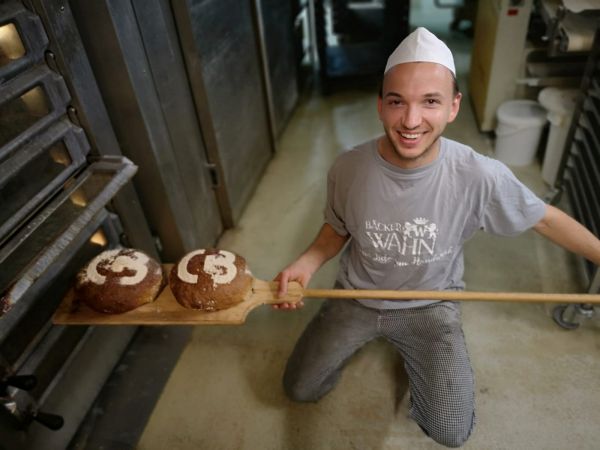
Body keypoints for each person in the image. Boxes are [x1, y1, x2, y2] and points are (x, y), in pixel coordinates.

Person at [273, 27, 600, 448]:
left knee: (451, 430)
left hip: (431, 304)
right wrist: (306, 263)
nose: (411, 121)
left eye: (430, 102)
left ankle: (423, 364)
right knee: (299, 389)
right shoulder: (348, 167)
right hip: (354, 297)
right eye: (397, 102)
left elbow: (546, 219)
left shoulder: (478, 174)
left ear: (452, 107)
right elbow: (335, 230)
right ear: (380, 105)